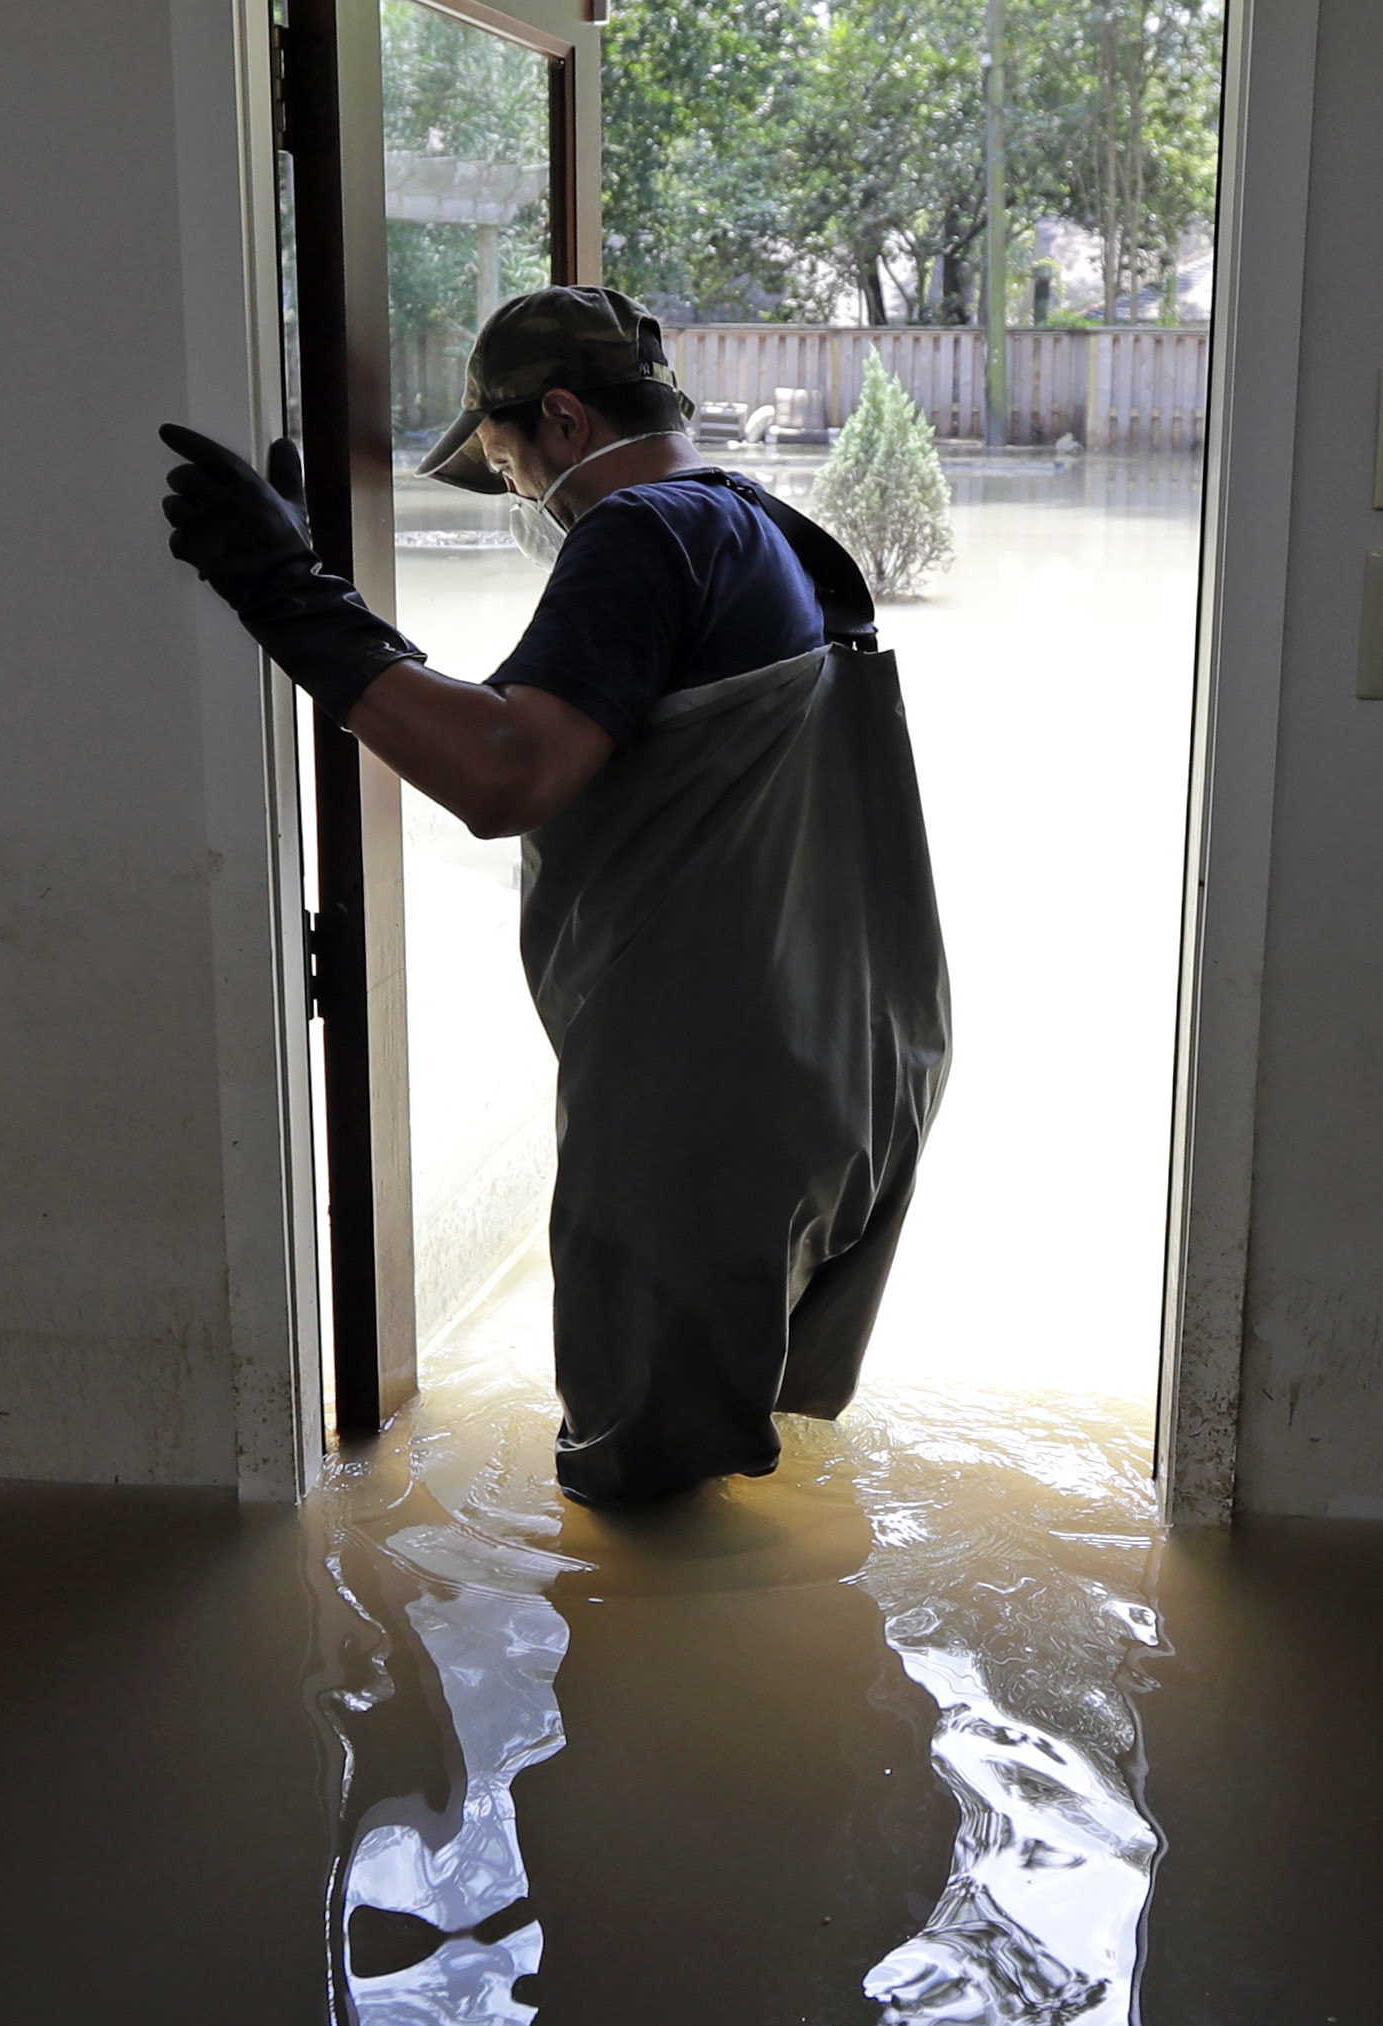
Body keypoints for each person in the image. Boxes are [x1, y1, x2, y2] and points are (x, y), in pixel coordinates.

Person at [161, 286, 949, 1503]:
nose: (521, 493)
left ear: (565, 420)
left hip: (713, 1106)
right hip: (862, 1056)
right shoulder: (769, 530)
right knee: (763, 1455)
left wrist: (284, 594)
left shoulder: (638, 532)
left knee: (639, 1497)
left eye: (504, 461)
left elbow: (506, 771)